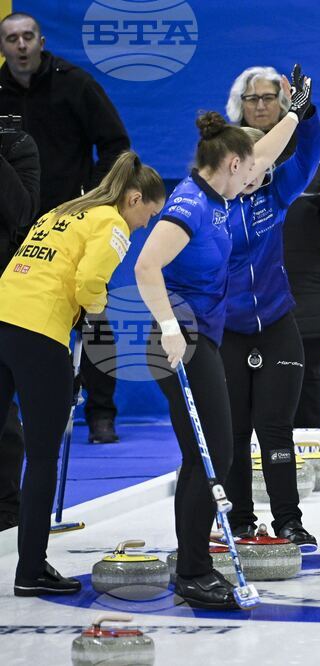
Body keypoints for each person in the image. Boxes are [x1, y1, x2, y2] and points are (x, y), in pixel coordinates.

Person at [135, 72, 311, 610]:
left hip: (201, 338)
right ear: (231, 165)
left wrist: (297, 113)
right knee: (210, 453)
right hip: (182, 341)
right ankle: (192, 570)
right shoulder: (189, 206)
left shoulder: (220, 188)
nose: (253, 180)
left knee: (204, 454)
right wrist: (168, 328)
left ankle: (193, 565)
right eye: (248, 171)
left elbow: (270, 148)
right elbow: (147, 266)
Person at [0, 150, 163, 595]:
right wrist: (96, 309)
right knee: (42, 457)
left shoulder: (65, 210)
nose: (145, 225)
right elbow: (89, 280)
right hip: (39, 331)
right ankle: (31, 569)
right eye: (148, 215)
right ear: (133, 199)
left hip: (3, 317)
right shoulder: (111, 224)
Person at [0, 11, 131, 444]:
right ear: (2, 47)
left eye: (28, 37)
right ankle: (14, 418)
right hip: (13, 227)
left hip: (69, 223)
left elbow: (115, 144)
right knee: (14, 318)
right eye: (11, 38)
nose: (20, 46)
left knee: (93, 314)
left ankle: (101, 414)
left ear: (41, 41)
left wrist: (92, 199)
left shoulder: (75, 83)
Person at [220, 66, 320, 548]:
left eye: (259, 164)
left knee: (275, 428)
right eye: (244, 164)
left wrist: (307, 112)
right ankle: (239, 519)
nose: (253, 172)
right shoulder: (207, 206)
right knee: (237, 430)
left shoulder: (275, 193)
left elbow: (308, 156)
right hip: (228, 331)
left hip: (278, 324)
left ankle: (289, 520)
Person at [226, 66, 320, 427]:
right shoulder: (226, 150)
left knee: (304, 373)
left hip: (303, 283)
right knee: (242, 378)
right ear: (239, 105)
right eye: (251, 98)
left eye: (268, 97)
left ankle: (307, 454)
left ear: (285, 102)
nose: (259, 105)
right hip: (245, 283)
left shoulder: (316, 153)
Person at [0, 120, 39, 532]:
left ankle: (7, 509)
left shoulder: (15, 142)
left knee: (5, 414)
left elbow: (21, 211)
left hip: (4, 293)